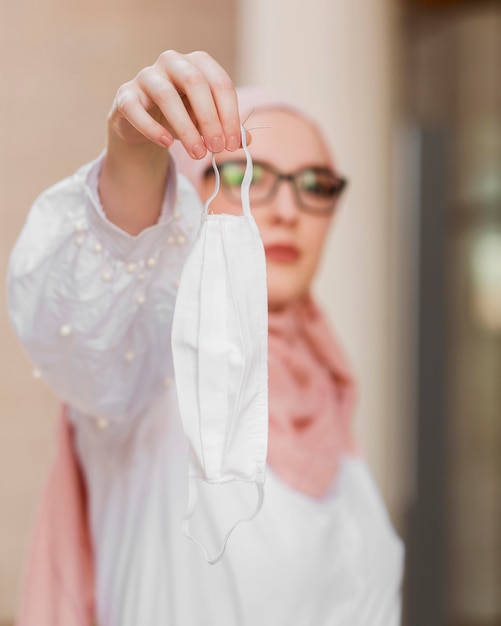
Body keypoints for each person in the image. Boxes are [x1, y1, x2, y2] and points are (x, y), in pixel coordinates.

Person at [8, 50, 404, 626]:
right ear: (187, 192)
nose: (289, 209)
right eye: (245, 174)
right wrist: (134, 158)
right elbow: (83, 316)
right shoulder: (151, 365)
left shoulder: (327, 395)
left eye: (314, 184)